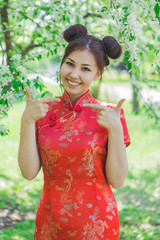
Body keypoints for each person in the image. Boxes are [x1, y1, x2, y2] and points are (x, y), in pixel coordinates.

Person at [18, 24, 130, 240]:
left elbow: (116, 180)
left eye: (85, 69)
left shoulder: (110, 115)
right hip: (50, 222)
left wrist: (115, 129)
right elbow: (29, 172)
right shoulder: (42, 111)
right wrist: (27, 120)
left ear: (98, 73)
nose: (74, 74)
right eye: (70, 64)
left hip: (97, 225)